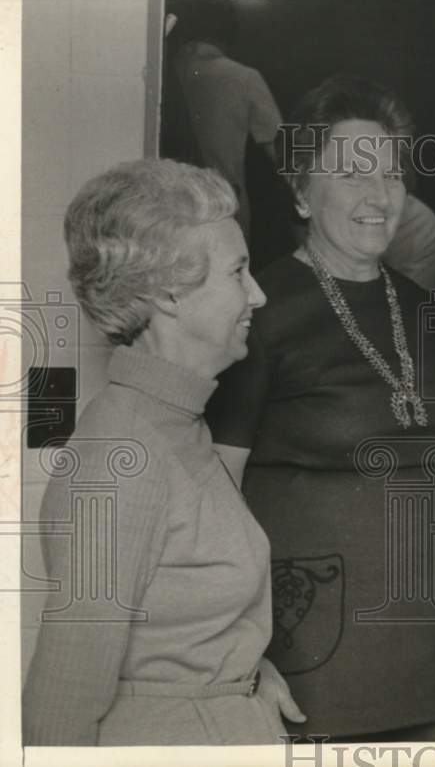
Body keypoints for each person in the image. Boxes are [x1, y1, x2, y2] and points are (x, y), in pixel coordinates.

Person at [205, 74, 435, 741]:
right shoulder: (260, 309)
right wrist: (244, 656)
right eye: (352, 173)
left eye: (390, 174)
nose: (379, 195)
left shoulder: (422, 308)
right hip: (316, 667)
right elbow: (213, 494)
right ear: (302, 190)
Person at [23, 159, 303, 745]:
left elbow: (173, 629)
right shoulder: (122, 456)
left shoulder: (178, 425)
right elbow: (63, 699)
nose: (257, 293)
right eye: (238, 271)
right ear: (171, 292)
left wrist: (241, 677)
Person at [168, 0, 283, 238]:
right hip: (224, 206)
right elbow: (283, 153)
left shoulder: (162, 69)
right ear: (230, 32)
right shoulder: (245, 77)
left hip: (165, 203)